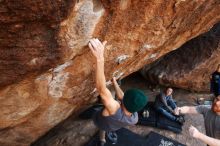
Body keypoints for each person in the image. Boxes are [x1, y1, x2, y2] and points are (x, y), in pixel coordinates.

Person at [88, 38, 148, 146]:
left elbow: (101, 89)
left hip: (99, 120)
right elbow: (123, 97)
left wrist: (100, 58)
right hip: (112, 125)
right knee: (107, 128)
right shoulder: (134, 118)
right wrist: (115, 82)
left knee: (101, 125)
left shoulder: (114, 108)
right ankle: (103, 140)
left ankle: (102, 139)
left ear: (123, 101)